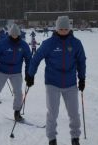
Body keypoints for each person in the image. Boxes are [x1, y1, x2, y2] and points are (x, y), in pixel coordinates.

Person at [25, 16, 86, 145]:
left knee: (74, 113)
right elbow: (36, 59)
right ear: (56, 29)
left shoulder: (76, 43)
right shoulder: (49, 43)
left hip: (70, 83)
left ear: (69, 29)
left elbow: (81, 61)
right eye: (61, 29)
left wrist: (82, 78)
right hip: (53, 83)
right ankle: (52, 139)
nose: (63, 31)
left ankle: (75, 138)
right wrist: (30, 75)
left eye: (66, 29)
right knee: (53, 113)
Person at [0, 24, 31, 122]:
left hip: (16, 72)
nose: (14, 36)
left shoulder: (23, 45)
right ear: (9, 34)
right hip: (2, 71)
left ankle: (17, 112)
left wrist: (28, 74)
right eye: (12, 35)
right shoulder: (2, 43)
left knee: (18, 92)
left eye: (16, 35)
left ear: (19, 34)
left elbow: (29, 60)